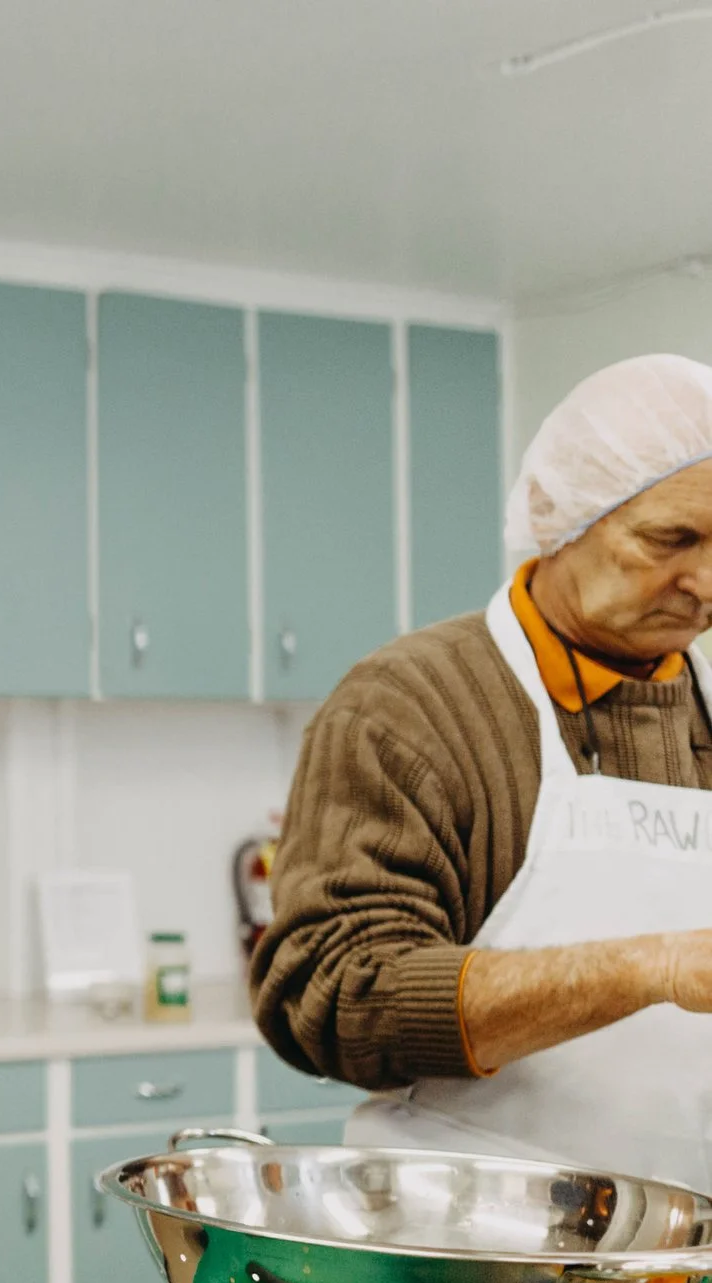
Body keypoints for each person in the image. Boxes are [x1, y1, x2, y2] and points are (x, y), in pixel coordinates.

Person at [252, 353, 712, 1186]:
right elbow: (333, 998)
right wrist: (653, 969)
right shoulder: (406, 708)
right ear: (557, 516)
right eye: (669, 539)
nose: (705, 583)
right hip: (469, 1238)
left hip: (686, 1245)